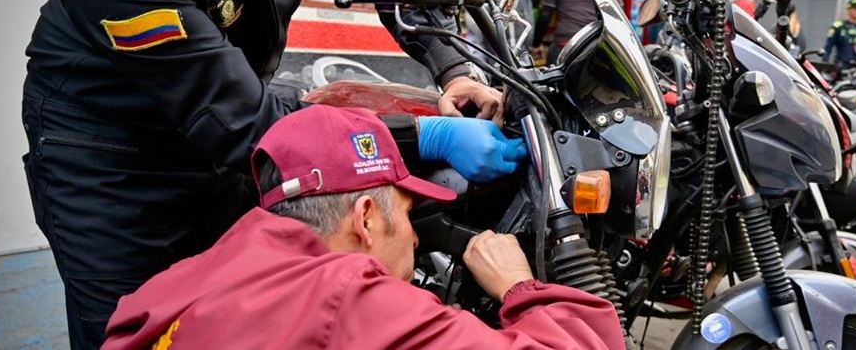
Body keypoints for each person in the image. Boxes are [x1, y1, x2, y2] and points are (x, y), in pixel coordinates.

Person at [21, 0, 511, 347]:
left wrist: (454, 67)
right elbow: (242, 121)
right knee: (138, 328)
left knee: (249, 309)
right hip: (113, 158)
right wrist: (424, 135)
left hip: (235, 112)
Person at [102, 106, 625, 350]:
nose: (417, 238)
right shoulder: (348, 295)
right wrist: (520, 286)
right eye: (405, 212)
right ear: (366, 220)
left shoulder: (178, 280)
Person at [823, 0, 856, 68]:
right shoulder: (839, 27)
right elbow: (828, 47)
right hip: (842, 65)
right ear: (849, 9)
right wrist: (824, 65)